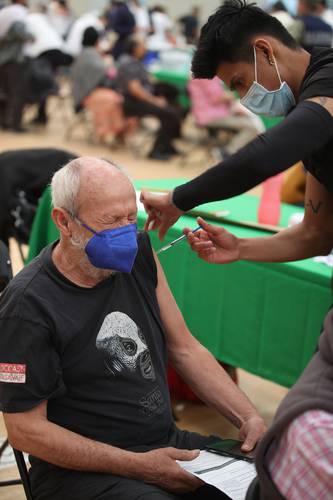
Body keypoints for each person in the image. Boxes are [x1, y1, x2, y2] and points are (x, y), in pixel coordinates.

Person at [140, 1, 333, 497]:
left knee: (297, 432)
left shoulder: (327, 86)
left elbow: (265, 156)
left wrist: (180, 198)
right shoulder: (311, 125)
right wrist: (241, 248)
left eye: (238, 82)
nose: (244, 98)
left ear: (265, 50)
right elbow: (316, 234)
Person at [0, 157, 266, 500]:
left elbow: (184, 348)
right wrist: (139, 465)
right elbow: (25, 432)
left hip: (164, 445)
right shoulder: (27, 308)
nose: (127, 232)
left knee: (272, 479)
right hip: (79, 472)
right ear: (64, 221)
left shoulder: (138, 253)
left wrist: (248, 417)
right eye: (111, 221)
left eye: (130, 217)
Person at [116, 36, 182, 160]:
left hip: (140, 98)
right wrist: (155, 100)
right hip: (133, 102)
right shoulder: (129, 63)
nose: (145, 49)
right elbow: (135, 90)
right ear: (134, 48)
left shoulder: (135, 61)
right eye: (143, 46)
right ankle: (156, 150)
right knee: (169, 113)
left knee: (175, 102)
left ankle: (167, 144)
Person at [188, 76, 259, 157]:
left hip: (207, 115)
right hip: (211, 117)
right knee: (251, 126)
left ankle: (231, 151)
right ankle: (226, 153)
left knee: (247, 120)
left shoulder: (199, 75)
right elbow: (217, 97)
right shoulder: (206, 76)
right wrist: (234, 95)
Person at [0, 0, 32, 131]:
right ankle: (16, 124)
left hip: (2, 58)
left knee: (3, 92)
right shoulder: (18, 12)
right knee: (17, 92)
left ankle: (3, 121)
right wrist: (32, 36)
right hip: (14, 58)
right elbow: (20, 31)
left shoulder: (4, 12)